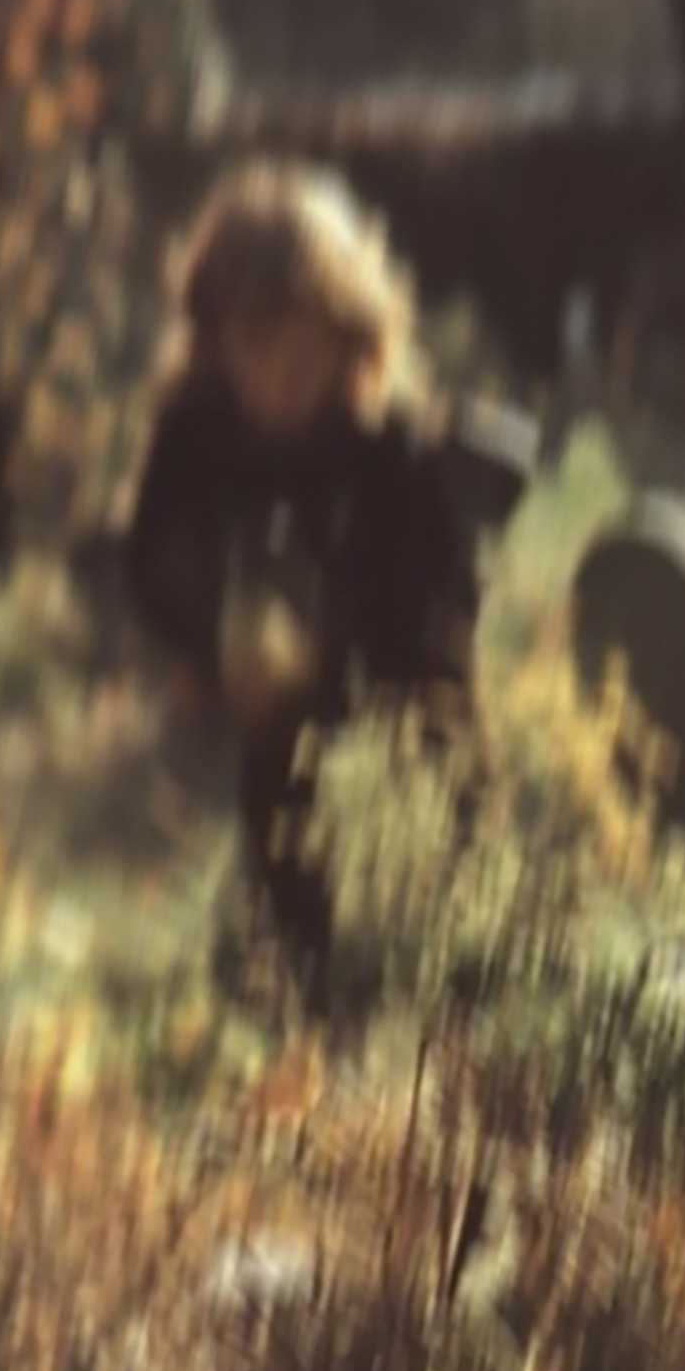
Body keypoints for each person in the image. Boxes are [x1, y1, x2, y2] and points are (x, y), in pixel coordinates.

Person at [120, 160, 480, 1011]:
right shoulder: (197, 434)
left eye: (300, 353)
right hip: (250, 721)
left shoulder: (389, 450)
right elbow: (149, 560)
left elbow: (438, 606)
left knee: (413, 917)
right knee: (277, 867)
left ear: (347, 335)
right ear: (217, 342)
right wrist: (209, 634)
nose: (277, 379)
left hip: (391, 717)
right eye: (255, 351)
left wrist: (342, 647)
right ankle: (287, 988)